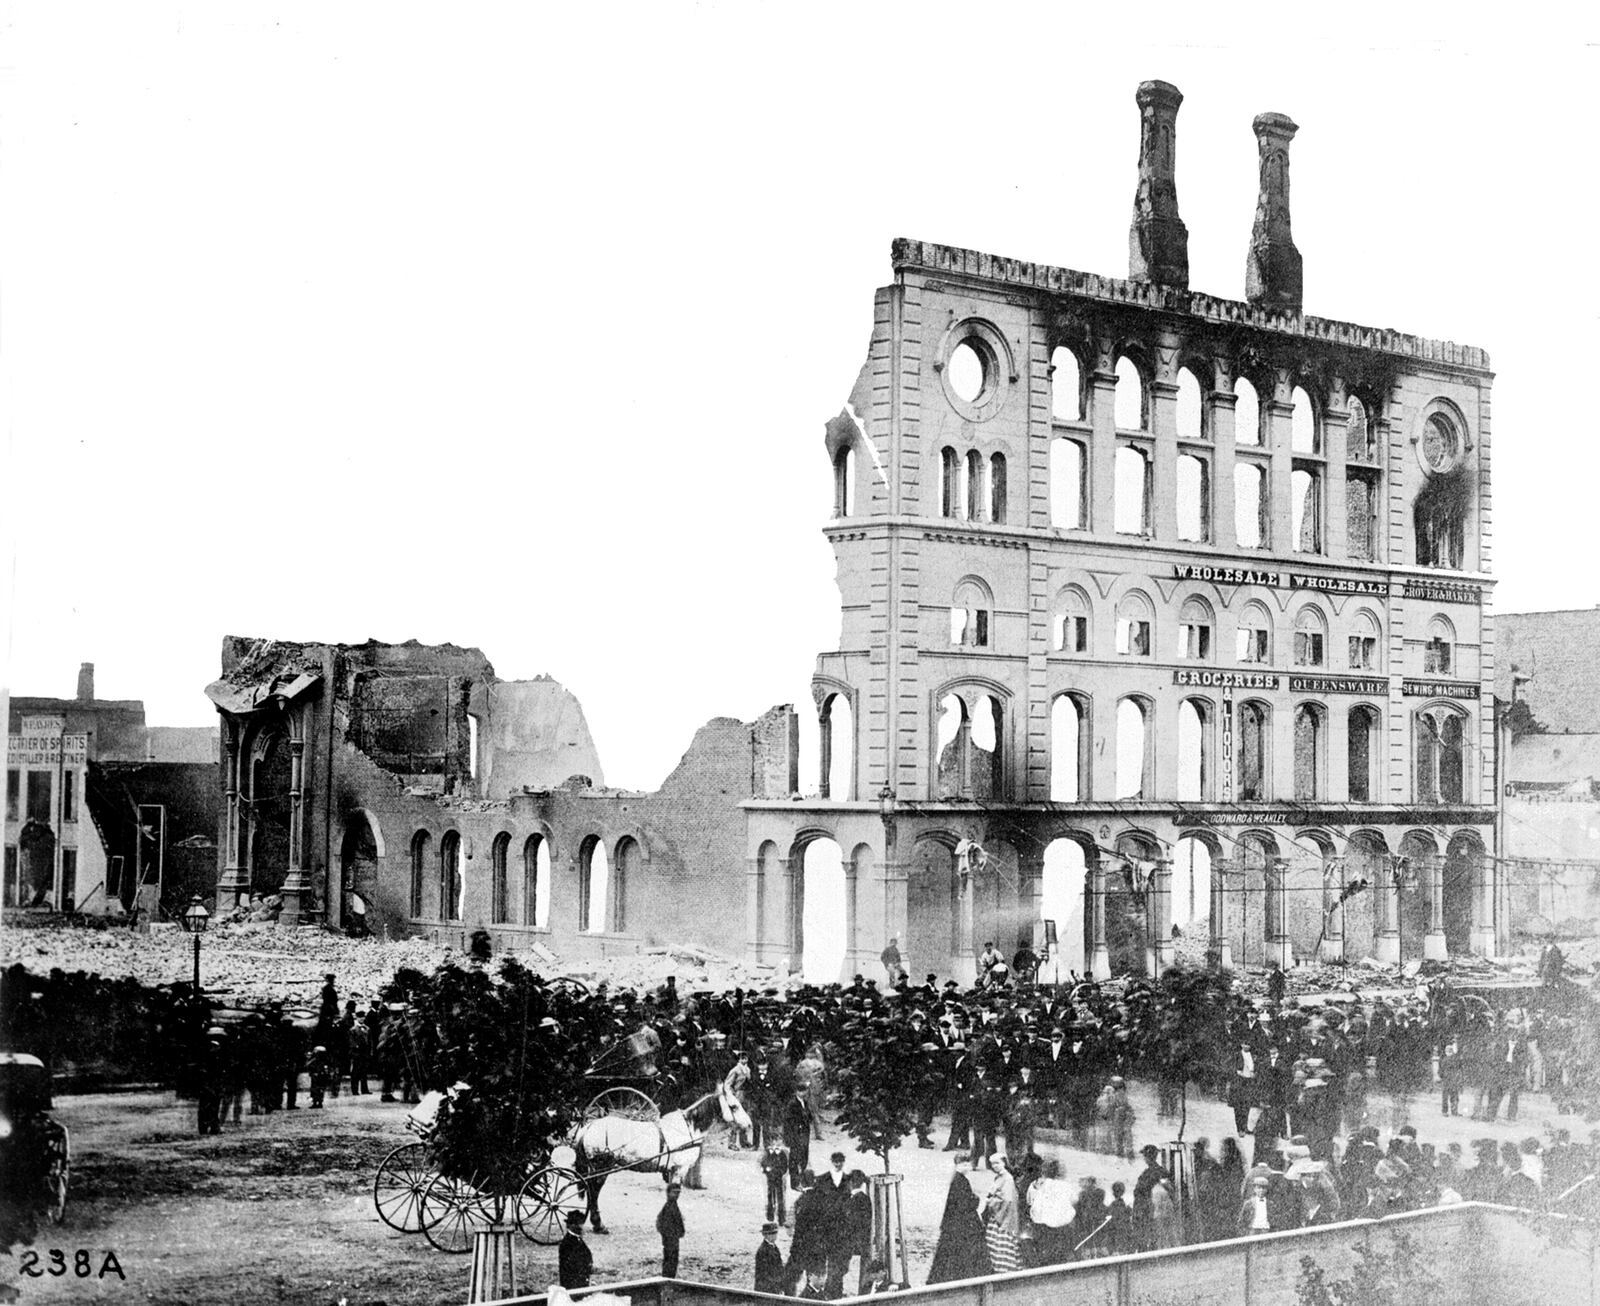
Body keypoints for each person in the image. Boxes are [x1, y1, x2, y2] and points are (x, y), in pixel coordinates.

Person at [928, 1170, 989, 1284]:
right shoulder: (960, 1181)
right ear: (957, 1165)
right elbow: (963, 1204)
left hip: (954, 1224)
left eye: (967, 1164)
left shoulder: (958, 1179)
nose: (966, 1167)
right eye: (963, 1164)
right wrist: (976, 1199)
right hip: (962, 1224)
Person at [982, 1153, 1020, 1273]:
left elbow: (1007, 1200)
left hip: (1003, 1216)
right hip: (997, 1214)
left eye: (997, 1163)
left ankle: (1003, 1268)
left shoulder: (1007, 1178)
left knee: (1002, 1242)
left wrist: (991, 1202)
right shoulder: (999, 1177)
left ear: (1004, 1163)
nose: (995, 1166)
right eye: (993, 1164)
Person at [657, 1181, 685, 1278]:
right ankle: (668, 1278)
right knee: (670, 1259)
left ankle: (669, 1277)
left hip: (673, 1238)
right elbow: (661, 1224)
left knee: (672, 1259)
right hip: (670, 1238)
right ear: (668, 1193)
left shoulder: (673, 1205)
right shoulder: (668, 1207)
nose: (676, 1195)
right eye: (674, 1192)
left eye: (678, 1193)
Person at [559, 1210, 593, 1289]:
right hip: (574, 1286)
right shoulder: (568, 1244)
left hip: (580, 1282)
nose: (582, 1227)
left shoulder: (576, 1239)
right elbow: (574, 1267)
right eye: (579, 1224)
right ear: (571, 1225)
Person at [761, 1138, 791, 1226]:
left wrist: (780, 1172)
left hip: (779, 1178)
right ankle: (770, 1216)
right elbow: (763, 1164)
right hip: (770, 1178)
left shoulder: (782, 1155)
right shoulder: (768, 1154)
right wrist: (766, 1170)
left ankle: (781, 1218)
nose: (775, 1147)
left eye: (777, 1146)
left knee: (780, 1198)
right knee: (770, 1196)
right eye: (773, 1145)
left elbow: (785, 1167)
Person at [755, 1221, 786, 1295]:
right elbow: (764, 1273)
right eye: (771, 1234)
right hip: (765, 1288)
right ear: (764, 1235)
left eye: (775, 1233)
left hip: (775, 1286)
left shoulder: (774, 1247)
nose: (774, 1236)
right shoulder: (763, 1250)